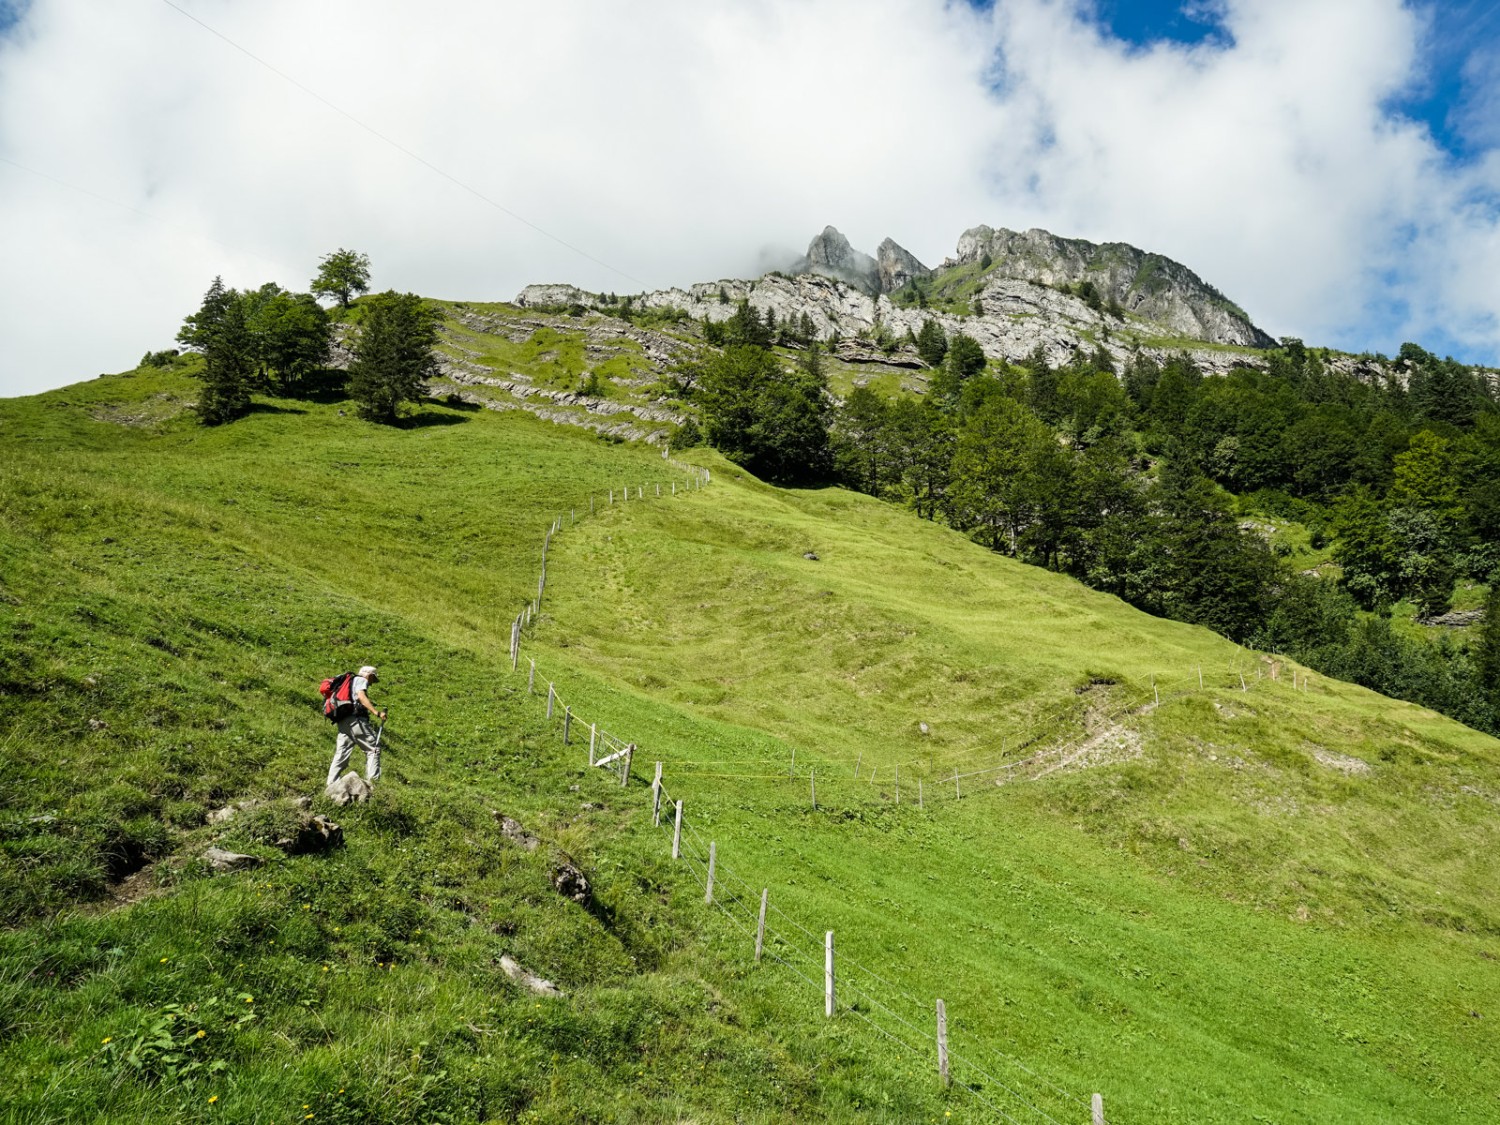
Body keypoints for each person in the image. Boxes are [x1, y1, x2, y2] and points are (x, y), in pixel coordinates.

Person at [326, 665, 387, 787]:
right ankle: (373, 784)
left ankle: (331, 784)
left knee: (341, 753)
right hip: (356, 720)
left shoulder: (349, 682)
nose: (372, 683)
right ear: (369, 675)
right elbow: (361, 696)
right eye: (373, 679)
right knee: (373, 749)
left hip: (343, 721)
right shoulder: (361, 680)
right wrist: (376, 712)